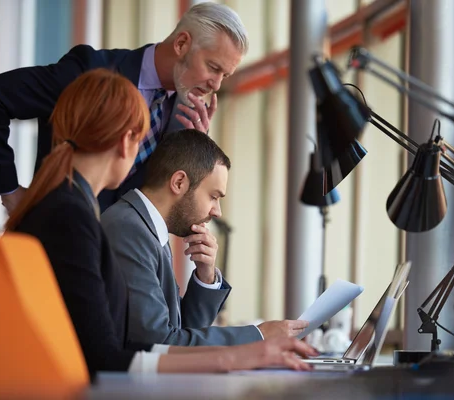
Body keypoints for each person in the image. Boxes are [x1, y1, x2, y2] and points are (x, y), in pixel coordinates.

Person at [5, 69, 316, 378]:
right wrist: (237, 354)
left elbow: (154, 336)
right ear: (128, 141)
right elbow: (111, 354)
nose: (217, 211)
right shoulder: (76, 218)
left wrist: (211, 287)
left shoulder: (69, 208)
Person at [0, 2, 248, 213]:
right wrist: (9, 191)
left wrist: (193, 150)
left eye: (225, 75)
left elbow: (161, 203)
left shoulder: (184, 115)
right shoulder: (91, 71)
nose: (217, 85)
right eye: (213, 68)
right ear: (182, 43)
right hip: (50, 250)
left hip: (114, 275)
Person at [101, 129, 308, 346]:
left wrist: (206, 276)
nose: (217, 211)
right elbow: (160, 342)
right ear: (179, 182)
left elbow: (180, 333)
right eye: (213, 196)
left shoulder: (147, 228)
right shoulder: (130, 229)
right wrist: (259, 335)